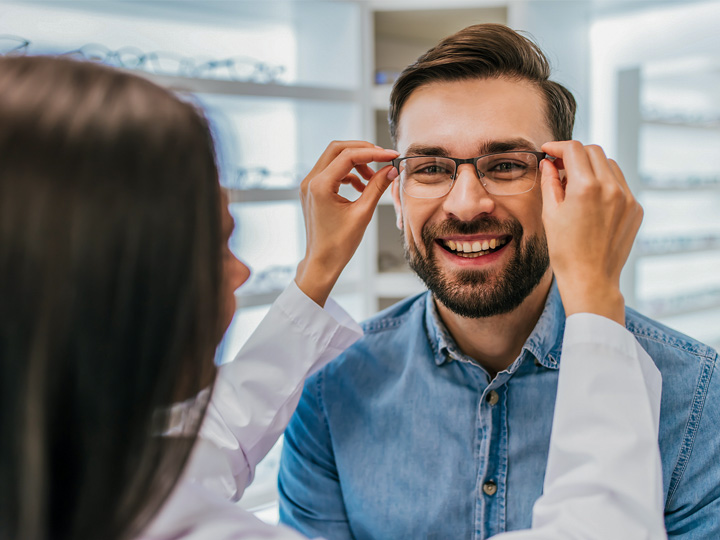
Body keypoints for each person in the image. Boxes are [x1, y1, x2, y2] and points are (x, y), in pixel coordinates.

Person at [0, 54, 662, 540]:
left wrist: (318, 271)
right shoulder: (330, 398)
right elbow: (604, 522)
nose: (239, 274)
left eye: (506, 164)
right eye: (214, 246)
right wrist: (598, 298)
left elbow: (189, 462)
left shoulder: (77, 484)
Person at [278, 23, 720, 539]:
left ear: (567, 183)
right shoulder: (329, 393)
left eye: (507, 165)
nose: (466, 205)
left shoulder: (695, 396)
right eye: (431, 168)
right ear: (396, 198)